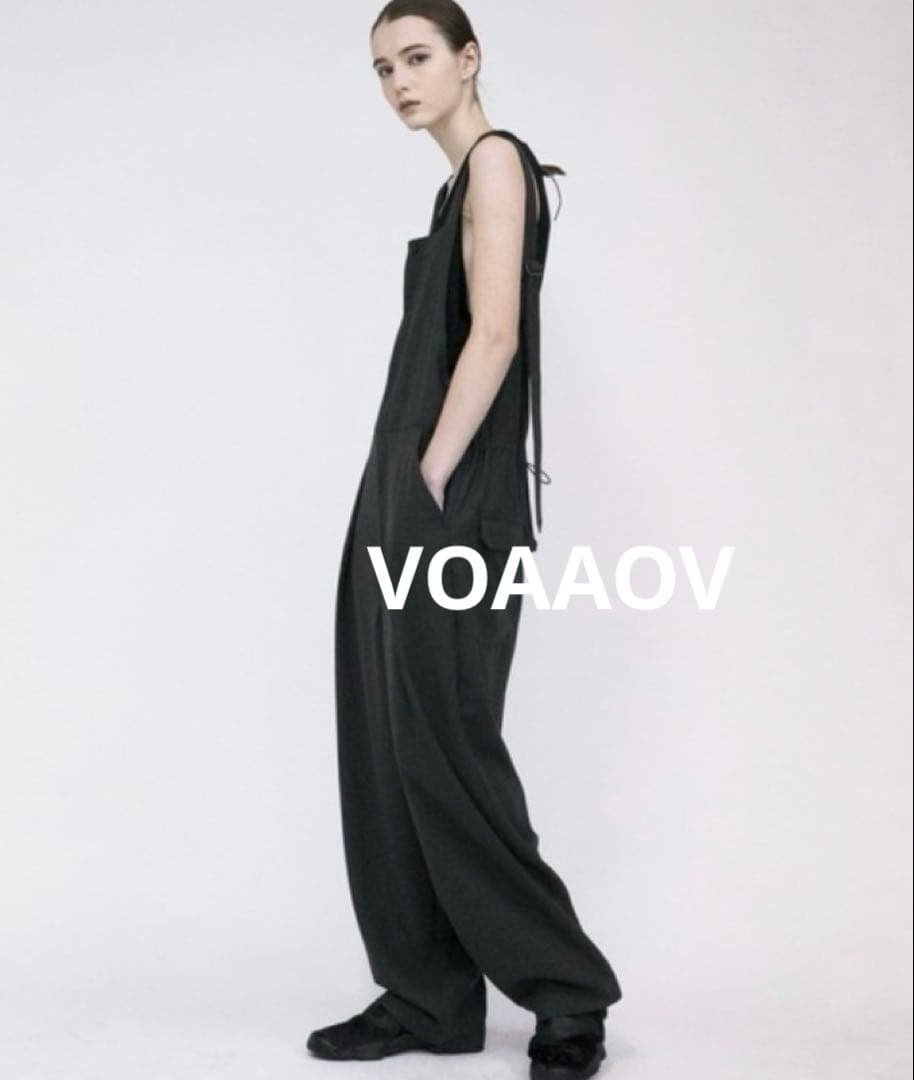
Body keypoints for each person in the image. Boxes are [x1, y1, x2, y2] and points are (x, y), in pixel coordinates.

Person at [307, 3, 623, 1077]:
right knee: (390, 745)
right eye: (381, 68)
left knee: (447, 749)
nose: (398, 81)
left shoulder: (495, 160)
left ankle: (567, 994)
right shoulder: (454, 186)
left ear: (468, 59)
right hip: (405, 488)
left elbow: (493, 333)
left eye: (416, 58)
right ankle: (429, 997)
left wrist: (430, 473)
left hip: (446, 494)